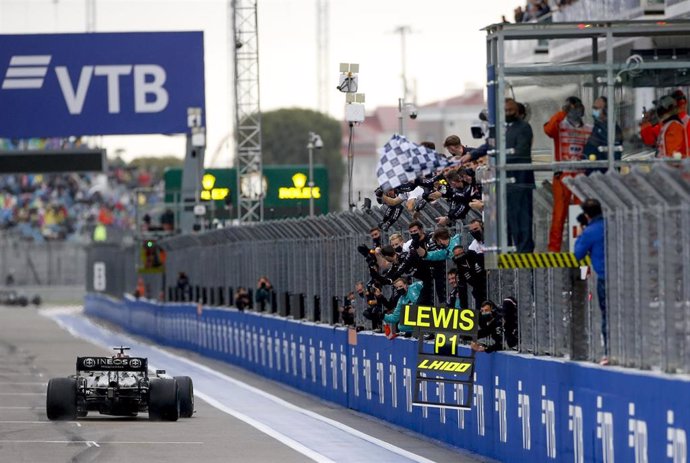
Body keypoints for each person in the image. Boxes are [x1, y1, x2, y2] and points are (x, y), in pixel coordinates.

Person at [544, 96, 592, 252]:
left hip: (580, 176)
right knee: (559, 215)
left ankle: (581, 248)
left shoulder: (588, 129)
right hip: (563, 175)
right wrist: (561, 112)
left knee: (582, 213)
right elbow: (548, 130)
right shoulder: (559, 125)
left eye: (578, 106)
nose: (576, 110)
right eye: (572, 107)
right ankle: (554, 250)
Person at [573, 198, 608, 365]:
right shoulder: (613, 224)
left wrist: (580, 235)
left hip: (603, 277)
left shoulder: (590, 231)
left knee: (606, 315)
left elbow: (578, 254)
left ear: (587, 215)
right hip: (624, 275)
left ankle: (608, 352)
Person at [505, 98, 535, 252]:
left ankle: (525, 253)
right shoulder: (503, 129)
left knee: (523, 221)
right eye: (505, 111)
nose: (508, 114)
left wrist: (501, 158)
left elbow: (521, 151)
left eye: (510, 110)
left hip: (521, 181)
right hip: (507, 182)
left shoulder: (523, 127)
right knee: (511, 220)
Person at [583, 96, 623, 174]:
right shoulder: (597, 126)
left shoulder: (612, 129)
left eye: (597, 108)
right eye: (594, 108)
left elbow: (615, 154)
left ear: (606, 110)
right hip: (592, 172)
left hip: (604, 174)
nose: (594, 111)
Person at [655, 95, 688, 159]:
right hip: (668, 165)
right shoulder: (668, 125)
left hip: (672, 167)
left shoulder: (674, 126)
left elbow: (673, 153)